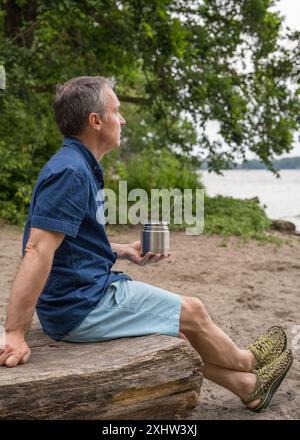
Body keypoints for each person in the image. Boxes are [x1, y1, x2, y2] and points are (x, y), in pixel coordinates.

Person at [0, 76, 293, 413]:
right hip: (80, 304)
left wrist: (123, 250)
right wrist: (15, 333)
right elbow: (37, 250)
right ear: (95, 121)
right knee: (192, 311)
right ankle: (247, 360)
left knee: (178, 335)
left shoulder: (78, 165)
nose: (122, 119)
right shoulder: (70, 172)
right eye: (116, 111)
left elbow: (71, 246)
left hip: (78, 296)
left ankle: (248, 387)